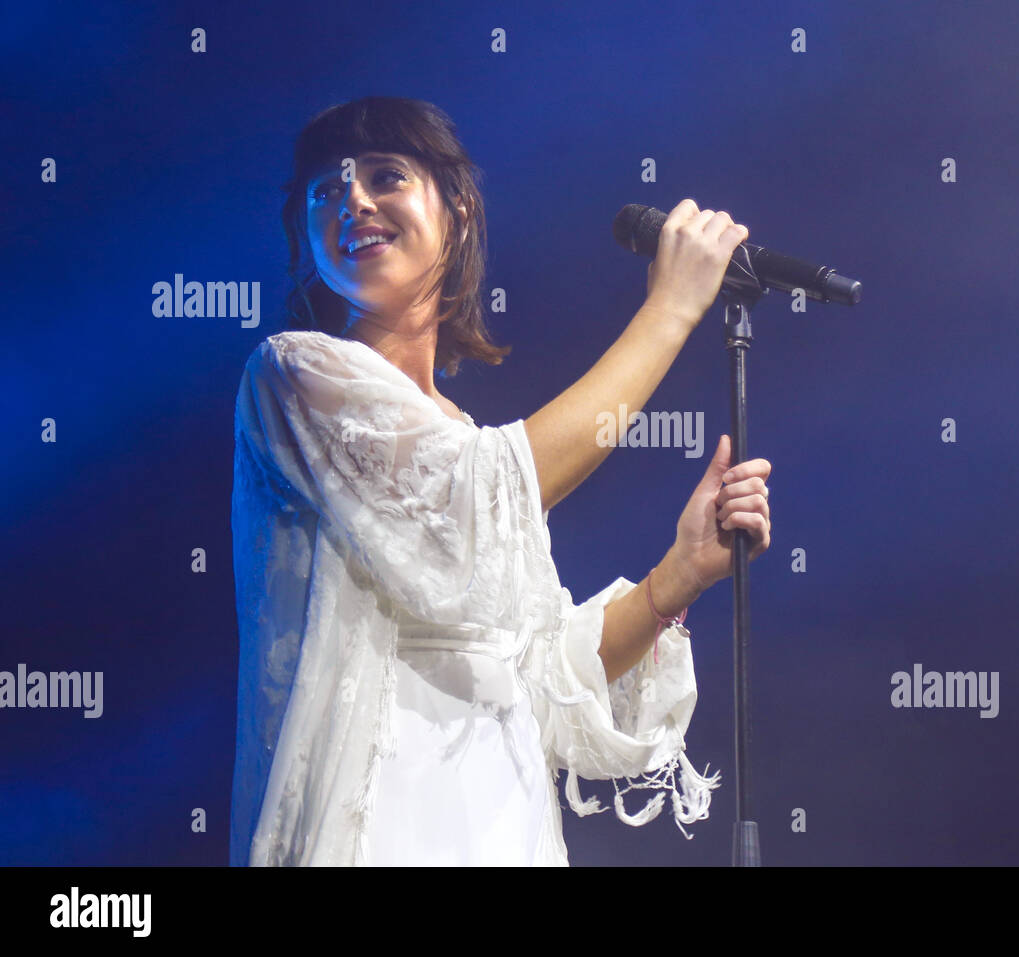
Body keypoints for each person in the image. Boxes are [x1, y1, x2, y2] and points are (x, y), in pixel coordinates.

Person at [229, 97, 772, 866]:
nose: (353, 199)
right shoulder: (295, 375)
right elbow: (487, 488)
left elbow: (545, 675)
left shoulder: (464, 448)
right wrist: (672, 308)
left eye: (386, 175)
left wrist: (677, 575)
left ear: (456, 207)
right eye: (326, 190)